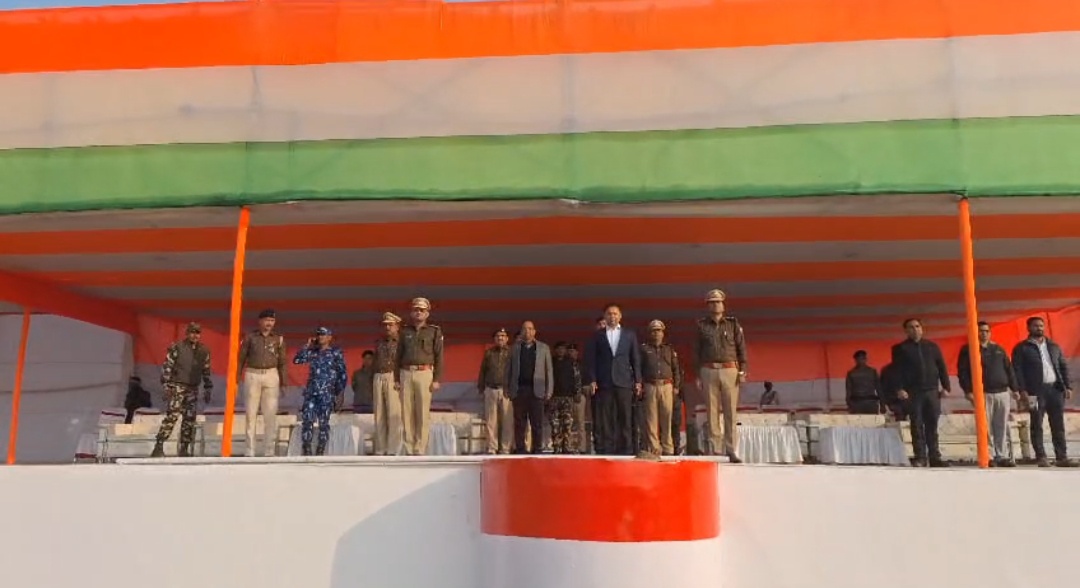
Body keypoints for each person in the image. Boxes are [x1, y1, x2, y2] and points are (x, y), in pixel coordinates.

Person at [692, 289, 748, 462]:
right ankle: (715, 449)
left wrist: (743, 370)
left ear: (723, 305)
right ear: (708, 306)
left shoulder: (732, 324)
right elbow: (697, 352)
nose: (715, 305)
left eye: (718, 302)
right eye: (711, 302)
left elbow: (741, 348)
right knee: (712, 412)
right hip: (708, 370)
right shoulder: (701, 325)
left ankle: (731, 449)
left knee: (730, 411)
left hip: (730, 369)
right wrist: (698, 374)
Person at [1012, 316, 1075, 467]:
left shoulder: (1053, 346)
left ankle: (1062, 457)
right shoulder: (1022, 348)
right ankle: (1041, 456)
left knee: (1058, 424)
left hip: (1055, 389)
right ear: (1028, 328)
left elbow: (1063, 366)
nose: (1039, 328)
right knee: (1037, 423)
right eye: (1035, 326)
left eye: (1041, 325)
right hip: (1035, 391)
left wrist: (1067, 386)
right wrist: (1022, 390)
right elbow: (1017, 370)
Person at [957, 321, 1019, 467]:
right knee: (985, 427)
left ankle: (1001, 455)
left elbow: (1009, 369)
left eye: (986, 331)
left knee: (1001, 425)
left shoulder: (998, 349)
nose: (983, 333)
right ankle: (988, 455)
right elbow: (963, 372)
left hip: (1002, 392)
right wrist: (968, 391)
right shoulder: (968, 349)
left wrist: (1015, 388)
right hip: (983, 393)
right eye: (980, 331)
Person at [890, 318, 950, 467]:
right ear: (906, 331)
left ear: (922, 329)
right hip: (913, 392)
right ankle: (920, 457)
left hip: (932, 391)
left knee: (932, 425)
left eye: (917, 326)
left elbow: (941, 366)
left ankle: (935, 457)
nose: (915, 329)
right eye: (911, 327)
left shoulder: (932, 347)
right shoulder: (901, 349)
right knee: (916, 424)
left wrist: (946, 386)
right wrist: (899, 388)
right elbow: (896, 370)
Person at [584, 303, 642, 455]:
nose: (612, 316)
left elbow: (635, 359)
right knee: (606, 418)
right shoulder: (597, 336)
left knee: (625, 417)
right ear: (605, 316)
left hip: (624, 381)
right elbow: (591, 359)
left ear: (620, 316)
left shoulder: (629, 335)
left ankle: (627, 448)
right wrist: (592, 379)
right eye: (609, 314)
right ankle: (607, 449)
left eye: (615, 313)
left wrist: (638, 381)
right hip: (604, 382)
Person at [151, 323, 213, 458]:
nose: (195, 336)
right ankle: (159, 445)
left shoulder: (204, 351)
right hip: (177, 386)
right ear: (187, 333)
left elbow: (206, 371)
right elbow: (167, 366)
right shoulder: (177, 347)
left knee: (189, 419)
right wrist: (166, 385)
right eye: (192, 332)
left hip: (193, 388)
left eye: (197, 333)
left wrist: (208, 388)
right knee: (172, 416)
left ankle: (184, 448)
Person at [396, 297, 444, 455]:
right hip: (406, 372)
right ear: (411, 313)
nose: (418, 312)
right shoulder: (405, 331)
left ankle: (420, 447)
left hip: (425, 372)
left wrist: (436, 379)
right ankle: (409, 447)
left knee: (422, 412)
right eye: (416, 310)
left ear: (427, 313)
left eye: (422, 310)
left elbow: (439, 356)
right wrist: (396, 379)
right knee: (406, 412)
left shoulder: (434, 331)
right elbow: (398, 356)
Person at [237, 309, 287, 457]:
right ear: (260, 321)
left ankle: (269, 450)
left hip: (271, 374)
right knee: (251, 414)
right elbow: (241, 359)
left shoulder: (278, 339)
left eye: (272, 321)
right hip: (253, 374)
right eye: (267, 320)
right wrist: (236, 379)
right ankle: (249, 450)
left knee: (270, 414)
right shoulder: (250, 338)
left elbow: (282, 363)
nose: (269, 323)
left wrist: (284, 383)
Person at [293, 327, 348, 456]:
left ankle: (321, 448)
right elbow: (297, 360)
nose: (320, 337)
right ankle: (307, 447)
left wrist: (340, 393)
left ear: (330, 337)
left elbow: (342, 374)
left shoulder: (335, 353)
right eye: (319, 335)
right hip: (312, 392)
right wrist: (307, 345)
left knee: (324, 422)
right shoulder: (313, 352)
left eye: (323, 335)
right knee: (307, 419)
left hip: (327, 393)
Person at [509, 321, 554, 454]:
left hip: (537, 390)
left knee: (537, 422)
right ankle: (520, 448)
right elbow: (509, 370)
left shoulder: (543, 348)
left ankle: (537, 448)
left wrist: (549, 390)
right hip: (519, 390)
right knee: (519, 422)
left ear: (534, 331)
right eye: (525, 329)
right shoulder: (515, 348)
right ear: (521, 331)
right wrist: (507, 388)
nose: (527, 331)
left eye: (530, 329)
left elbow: (549, 370)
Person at [640, 320, 683, 456]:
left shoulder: (669, 349)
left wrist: (676, 386)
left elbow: (676, 369)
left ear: (663, 333)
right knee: (651, 419)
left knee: (667, 417)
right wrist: (640, 385)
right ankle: (654, 448)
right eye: (653, 331)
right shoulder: (644, 349)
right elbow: (639, 368)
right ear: (650, 333)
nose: (656, 333)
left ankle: (668, 448)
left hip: (667, 385)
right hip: (650, 385)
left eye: (658, 331)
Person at [477, 328, 513, 454]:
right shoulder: (489, 353)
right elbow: (483, 371)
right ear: (494, 339)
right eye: (498, 336)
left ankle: (505, 448)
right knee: (491, 421)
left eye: (503, 336)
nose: (500, 338)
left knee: (507, 421)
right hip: (491, 389)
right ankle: (492, 447)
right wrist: (481, 387)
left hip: (507, 391)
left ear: (507, 338)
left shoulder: (512, 353)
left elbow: (515, 372)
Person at [371, 312, 403, 455]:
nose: (387, 327)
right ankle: (380, 448)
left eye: (390, 325)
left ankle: (393, 449)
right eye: (385, 325)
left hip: (393, 376)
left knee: (393, 413)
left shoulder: (402, 342)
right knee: (379, 414)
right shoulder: (379, 342)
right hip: (378, 376)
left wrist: (399, 379)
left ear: (397, 326)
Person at [550, 341, 583, 454]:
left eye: (563, 349)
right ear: (555, 350)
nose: (561, 351)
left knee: (567, 424)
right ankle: (557, 446)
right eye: (558, 348)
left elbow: (577, 379)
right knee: (555, 424)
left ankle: (567, 446)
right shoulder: (551, 362)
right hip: (554, 397)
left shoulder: (571, 363)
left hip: (568, 398)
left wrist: (577, 393)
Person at [567, 343, 590, 453]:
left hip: (580, 396)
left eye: (573, 351)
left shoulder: (582, 365)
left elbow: (587, 380)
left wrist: (582, 391)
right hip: (568, 397)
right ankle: (569, 446)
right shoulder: (565, 365)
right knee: (568, 423)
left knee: (581, 422)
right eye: (570, 351)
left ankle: (582, 447)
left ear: (577, 352)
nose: (571, 353)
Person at [845, 350, 883, 415]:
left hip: (861, 403)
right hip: (866, 403)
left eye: (862, 358)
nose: (861, 361)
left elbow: (879, 388)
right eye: (860, 359)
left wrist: (849, 404)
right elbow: (879, 389)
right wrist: (882, 404)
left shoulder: (851, 373)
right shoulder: (872, 372)